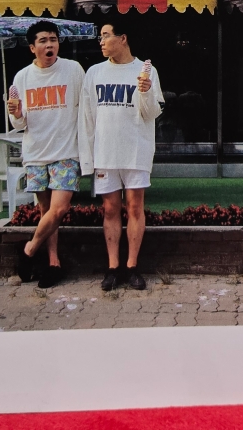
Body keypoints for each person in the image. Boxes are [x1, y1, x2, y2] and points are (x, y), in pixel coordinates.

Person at [78, 17, 164, 291]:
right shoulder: (94, 73)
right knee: (110, 209)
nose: (101, 42)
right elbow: (87, 118)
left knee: (135, 208)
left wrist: (146, 92)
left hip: (136, 151)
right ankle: (113, 267)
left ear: (123, 38)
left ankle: (132, 267)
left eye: (106, 35)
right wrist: (88, 157)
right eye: (100, 37)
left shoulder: (146, 71)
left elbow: (152, 113)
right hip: (105, 152)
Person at [6, 20, 85, 289]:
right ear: (32, 47)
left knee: (59, 209)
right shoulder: (22, 77)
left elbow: (85, 106)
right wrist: (16, 114)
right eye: (43, 40)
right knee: (46, 211)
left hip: (66, 151)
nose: (49, 44)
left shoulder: (73, 70)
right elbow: (19, 123)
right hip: (36, 153)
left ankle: (28, 250)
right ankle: (53, 263)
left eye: (53, 39)